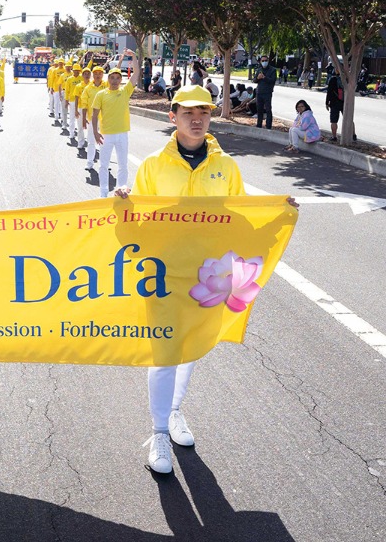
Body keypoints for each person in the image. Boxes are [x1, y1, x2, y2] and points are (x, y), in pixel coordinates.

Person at [114, 85, 298, 474]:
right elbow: (137, 222)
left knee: (192, 350)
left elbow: (238, 218)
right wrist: (124, 203)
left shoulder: (226, 166)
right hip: (163, 275)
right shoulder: (153, 165)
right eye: (188, 113)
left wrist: (278, 213)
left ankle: (175, 411)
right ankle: (159, 431)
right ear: (173, 117)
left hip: (208, 275)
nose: (197, 119)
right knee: (165, 351)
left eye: (204, 112)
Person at [91, 49, 141, 197]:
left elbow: (136, 74)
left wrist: (134, 57)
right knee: (104, 165)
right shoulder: (101, 94)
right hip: (106, 135)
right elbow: (94, 115)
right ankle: (103, 192)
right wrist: (95, 132)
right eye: (112, 77)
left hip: (122, 134)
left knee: (123, 165)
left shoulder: (125, 91)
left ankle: (121, 189)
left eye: (117, 78)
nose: (114, 80)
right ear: (108, 79)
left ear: (120, 80)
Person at [80, 66, 108, 169]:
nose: (97, 75)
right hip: (93, 119)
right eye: (95, 73)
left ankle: (104, 164)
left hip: (105, 119)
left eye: (100, 73)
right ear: (93, 75)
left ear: (102, 75)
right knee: (91, 141)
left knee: (105, 142)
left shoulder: (107, 86)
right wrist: (83, 119)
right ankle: (89, 163)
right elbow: (84, 104)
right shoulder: (88, 88)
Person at [325, 73, 355, 142]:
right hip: (345, 102)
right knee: (349, 119)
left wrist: (327, 102)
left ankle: (334, 136)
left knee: (333, 121)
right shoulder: (348, 79)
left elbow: (329, 91)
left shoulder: (333, 79)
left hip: (334, 102)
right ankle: (353, 135)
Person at [253, 55, 276, 129]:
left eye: (265, 60)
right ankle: (259, 124)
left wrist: (264, 77)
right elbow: (254, 80)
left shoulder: (272, 70)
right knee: (259, 109)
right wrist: (258, 78)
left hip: (267, 92)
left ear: (268, 61)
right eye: (262, 61)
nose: (264, 62)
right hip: (259, 92)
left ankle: (268, 126)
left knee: (268, 109)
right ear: (260, 61)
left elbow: (273, 80)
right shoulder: (259, 70)